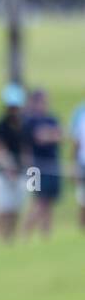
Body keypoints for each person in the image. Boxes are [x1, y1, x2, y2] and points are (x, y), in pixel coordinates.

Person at [0, 84, 28, 243]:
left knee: (16, 208)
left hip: (21, 172)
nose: (14, 109)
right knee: (2, 209)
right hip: (2, 173)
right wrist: (8, 167)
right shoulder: (0, 125)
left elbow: (26, 148)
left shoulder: (25, 124)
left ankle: (10, 239)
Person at [21, 89, 63, 237]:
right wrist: (49, 135)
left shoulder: (52, 119)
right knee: (38, 202)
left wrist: (49, 135)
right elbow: (39, 138)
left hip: (52, 166)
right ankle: (25, 234)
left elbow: (59, 136)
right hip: (36, 168)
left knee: (49, 202)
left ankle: (46, 235)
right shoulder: (30, 121)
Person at [71, 98, 85, 230]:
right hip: (83, 162)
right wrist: (73, 164)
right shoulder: (80, 112)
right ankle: (82, 229)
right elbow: (75, 141)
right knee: (83, 199)